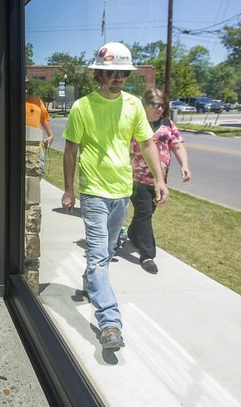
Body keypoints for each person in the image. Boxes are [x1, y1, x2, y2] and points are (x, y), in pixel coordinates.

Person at [61, 41, 169, 351]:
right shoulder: (83, 106)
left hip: (123, 191)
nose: (118, 77)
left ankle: (90, 281)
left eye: (122, 72)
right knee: (98, 255)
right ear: (98, 74)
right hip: (94, 192)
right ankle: (109, 321)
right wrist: (69, 190)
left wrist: (160, 179)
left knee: (105, 253)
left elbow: (147, 144)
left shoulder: (134, 105)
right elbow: (71, 150)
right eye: (111, 72)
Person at [127, 88, 191, 274]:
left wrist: (184, 165)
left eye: (162, 105)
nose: (159, 109)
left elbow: (177, 145)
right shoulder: (135, 123)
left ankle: (132, 234)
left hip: (159, 181)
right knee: (145, 212)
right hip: (136, 178)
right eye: (155, 104)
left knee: (145, 213)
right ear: (144, 105)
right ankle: (147, 255)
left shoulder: (168, 124)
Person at [25, 79, 54, 176]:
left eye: (26, 84)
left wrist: (50, 135)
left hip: (36, 146)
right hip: (19, 145)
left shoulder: (37, 101)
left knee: (39, 172)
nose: (25, 86)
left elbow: (44, 119)